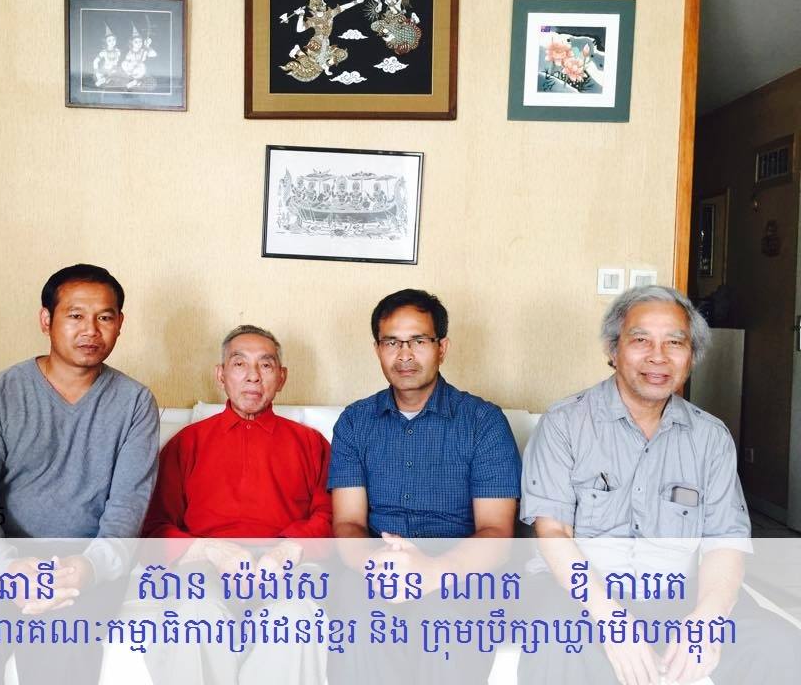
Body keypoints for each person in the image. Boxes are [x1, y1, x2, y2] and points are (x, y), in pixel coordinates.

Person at [520, 285, 799, 685]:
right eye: (641, 340)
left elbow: (725, 543)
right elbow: (553, 533)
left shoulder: (711, 438)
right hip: (582, 597)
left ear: (692, 356)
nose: (658, 356)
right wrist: (610, 620)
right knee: (555, 644)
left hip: (676, 595)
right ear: (613, 350)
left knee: (781, 646)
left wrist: (707, 619)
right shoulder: (564, 423)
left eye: (674, 342)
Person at [0, 263, 160, 685]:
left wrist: (87, 569)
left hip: (82, 562)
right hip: (1, 554)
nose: (91, 330)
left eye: (104, 317)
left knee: (60, 648)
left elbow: (127, 508)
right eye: (75, 315)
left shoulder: (135, 403)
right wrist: (6, 570)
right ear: (46, 320)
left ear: (120, 324)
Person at [328, 288, 521, 683]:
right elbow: (347, 522)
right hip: (378, 566)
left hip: (459, 569)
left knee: (444, 617)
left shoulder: (483, 422)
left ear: (441, 348)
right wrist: (375, 566)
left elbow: (497, 532)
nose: (405, 355)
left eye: (418, 340)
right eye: (392, 342)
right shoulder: (355, 422)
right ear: (377, 349)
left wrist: (434, 572)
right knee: (357, 608)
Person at [141, 324, 332, 685]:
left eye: (266, 365)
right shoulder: (187, 443)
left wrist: (286, 552)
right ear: (221, 375)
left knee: (295, 618)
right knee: (197, 613)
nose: (253, 376)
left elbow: (331, 515)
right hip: (205, 565)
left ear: (281, 377)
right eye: (240, 364)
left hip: (286, 567)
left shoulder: (310, 443)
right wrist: (210, 551)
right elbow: (154, 528)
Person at [280, 0, 366, 82]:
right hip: (315, 44)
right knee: (312, 66)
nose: (325, 3)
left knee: (342, 54)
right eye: (322, 2)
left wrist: (356, 2)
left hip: (326, 43)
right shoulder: (314, 20)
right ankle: (298, 51)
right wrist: (301, 15)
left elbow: (343, 7)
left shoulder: (329, 14)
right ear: (317, 6)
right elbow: (299, 30)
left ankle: (325, 65)